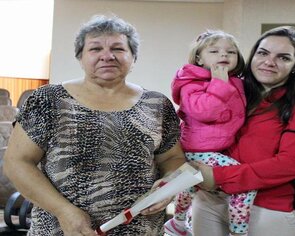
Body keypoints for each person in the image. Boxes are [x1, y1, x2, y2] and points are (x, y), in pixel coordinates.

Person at [3, 15, 186, 236]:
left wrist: (168, 187)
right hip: (61, 229)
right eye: (95, 48)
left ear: (133, 57)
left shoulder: (157, 104)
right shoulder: (48, 99)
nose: (107, 56)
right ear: (80, 57)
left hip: (141, 229)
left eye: (118, 48)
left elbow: (172, 158)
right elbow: (17, 162)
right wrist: (64, 211)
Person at [190, 26, 295, 236]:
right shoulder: (233, 88)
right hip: (211, 200)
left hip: (267, 207)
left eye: (283, 57)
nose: (269, 62)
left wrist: (219, 175)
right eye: (263, 53)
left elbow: (292, 163)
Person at [164, 30, 256, 236]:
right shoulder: (191, 83)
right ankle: (238, 232)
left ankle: (178, 223)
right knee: (245, 185)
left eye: (231, 52)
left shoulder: (236, 81)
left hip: (218, 147)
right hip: (198, 149)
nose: (223, 55)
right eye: (214, 51)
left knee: (189, 186)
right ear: (199, 57)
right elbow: (204, 111)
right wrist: (219, 84)